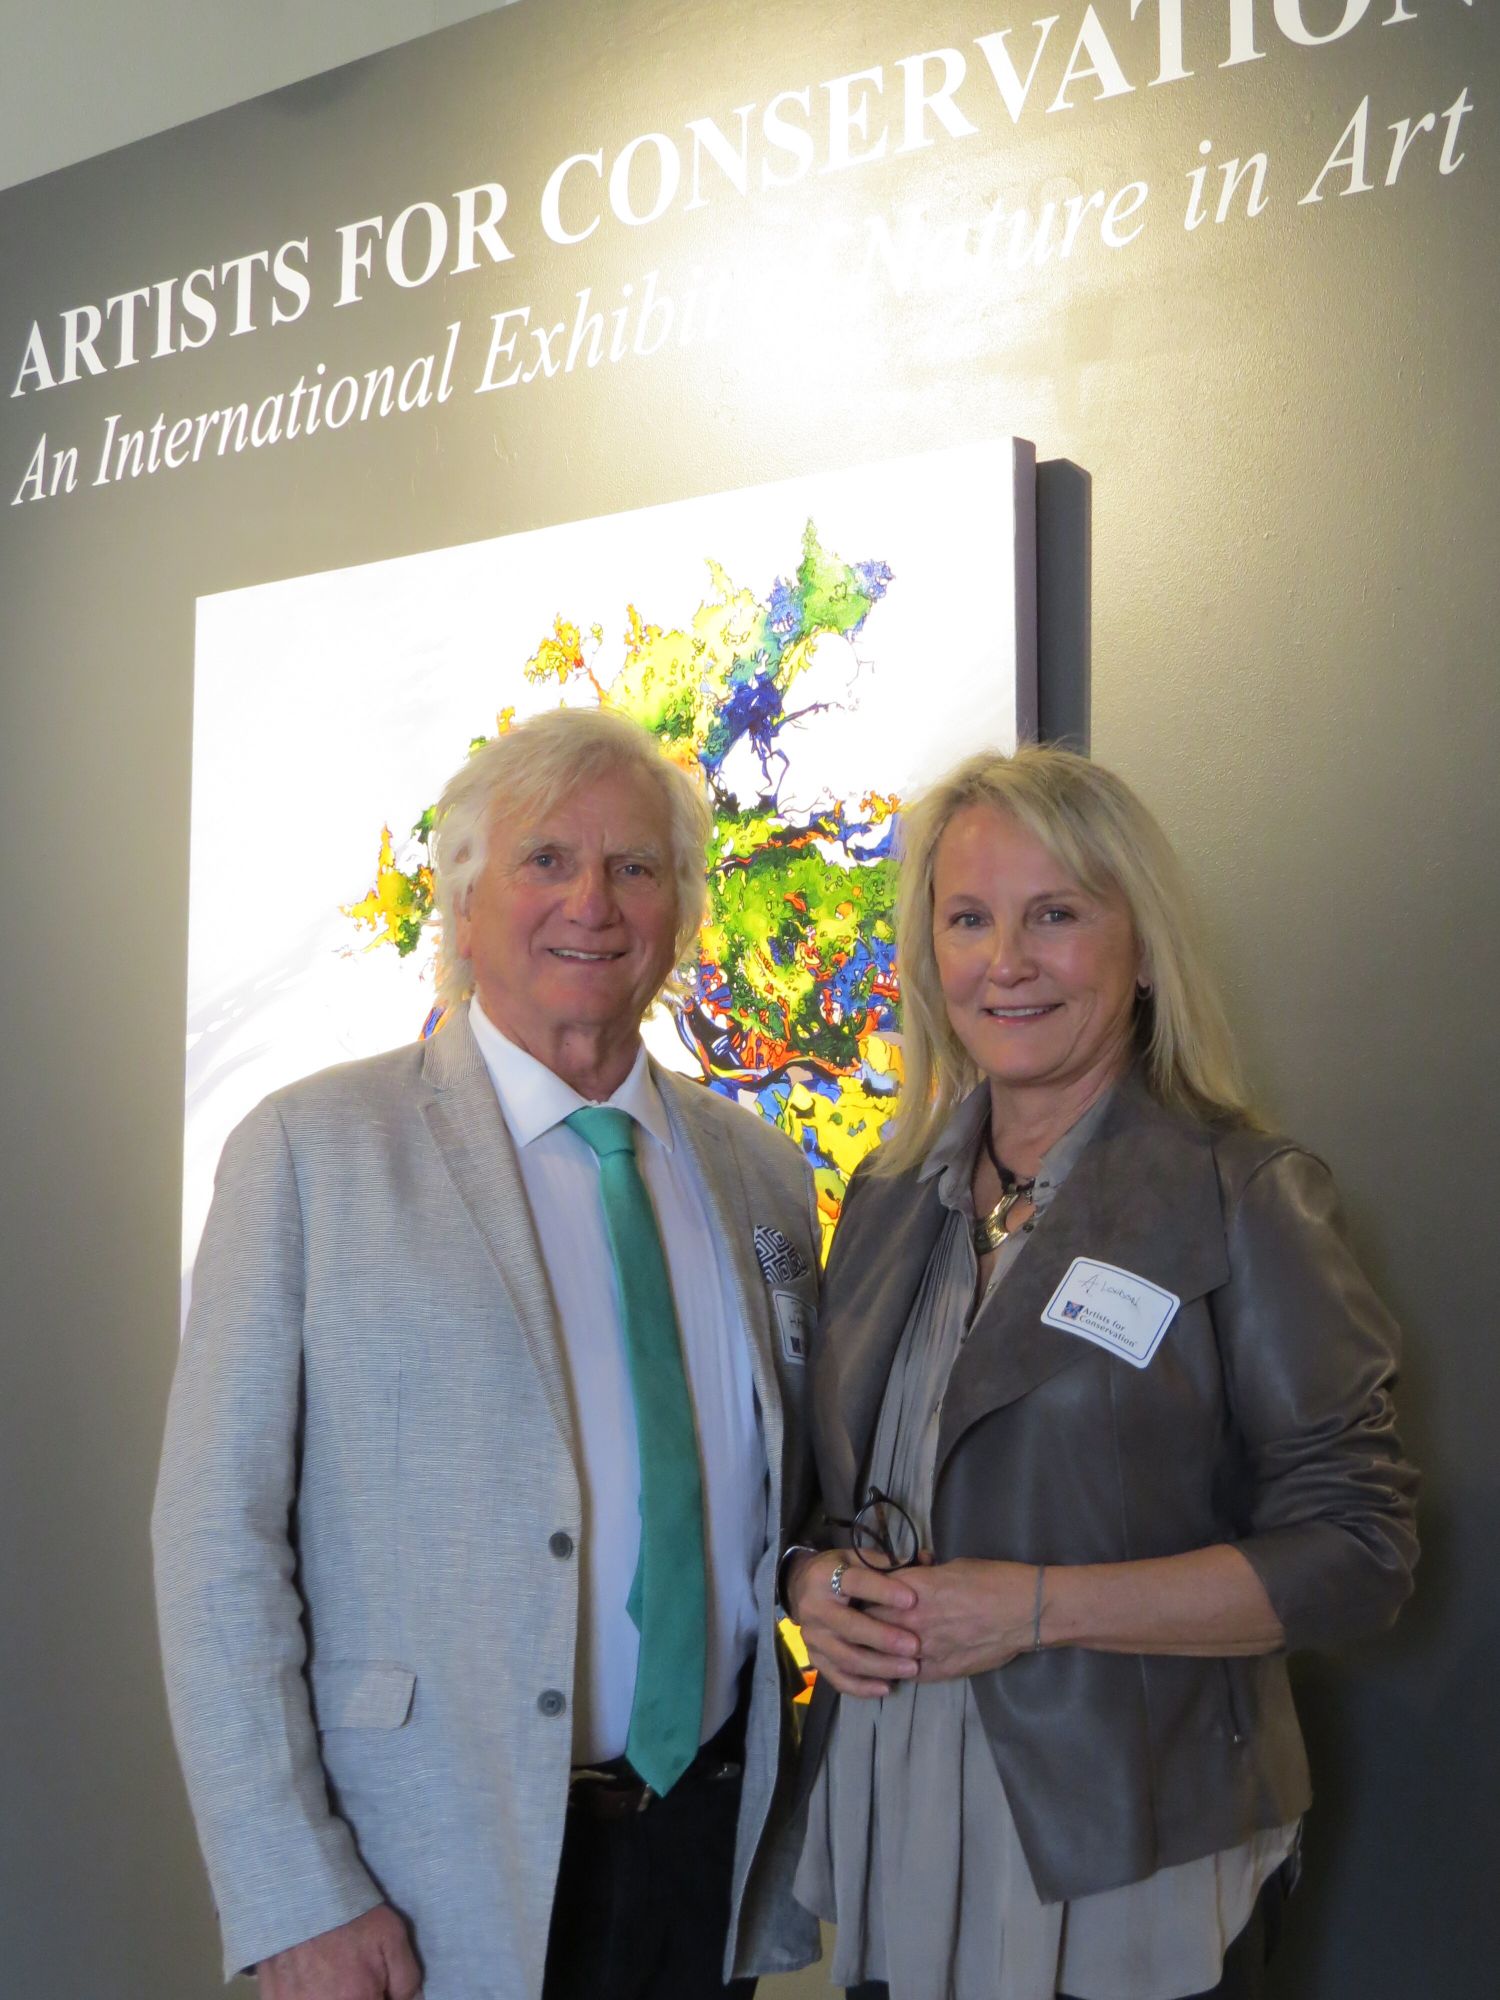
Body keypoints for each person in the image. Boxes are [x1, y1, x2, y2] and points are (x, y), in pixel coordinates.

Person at [152, 706, 822, 2000]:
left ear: (682, 910)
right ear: (462, 904)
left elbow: (777, 1502)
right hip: (421, 1879)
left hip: (706, 1851)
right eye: (545, 860)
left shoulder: (760, 1173)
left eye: (636, 866)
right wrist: (294, 1893)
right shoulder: (311, 1151)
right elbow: (213, 1542)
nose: (593, 901)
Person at [782, 744, 1418, 2000]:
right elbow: (834, 1489)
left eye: (1056, 915)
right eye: (969, 918)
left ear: (1141, 950)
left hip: (1128, 1850)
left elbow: (1359, 1551)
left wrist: (1035, 1607)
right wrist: (813, 1577)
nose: (1006, 961)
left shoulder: (1241, 1195)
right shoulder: (890, 1194)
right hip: (899, 1817)